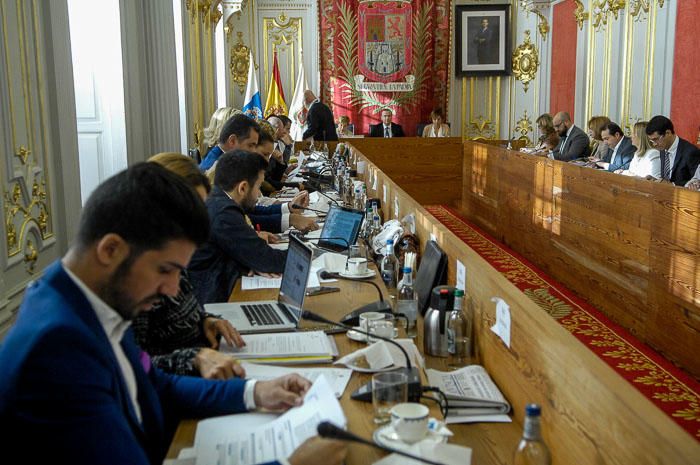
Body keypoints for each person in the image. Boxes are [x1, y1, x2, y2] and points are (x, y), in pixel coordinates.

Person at [0, 162, 345, 465]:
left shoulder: (89, 302)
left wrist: (254, 392)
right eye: (165, 270)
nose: (171, 288)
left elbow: (154, 385)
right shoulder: (56, 347)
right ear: (110, 249)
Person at [132, 153, 246, 380]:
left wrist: (207, 320)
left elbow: (187, 310)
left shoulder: (173, 248)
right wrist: (193, 358)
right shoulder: (138, 270)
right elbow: (135, 367)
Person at [188, 150, 288, 305]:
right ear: (242, 188)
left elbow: (251, 254)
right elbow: (266, 258)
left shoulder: (217, 199)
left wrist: (248, 262)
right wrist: (311, 255)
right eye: (258, 187)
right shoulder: (224, 213)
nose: (258, 195)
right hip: (212, 304)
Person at [645, 115, 700, 186]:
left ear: (668, 133)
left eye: (656, 139)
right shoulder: (662, 148)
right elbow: (666, 180)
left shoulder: (690, 151)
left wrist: (672, 185)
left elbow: (696, 183)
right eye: (652, 141)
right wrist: (655, 180)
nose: (654, 144)